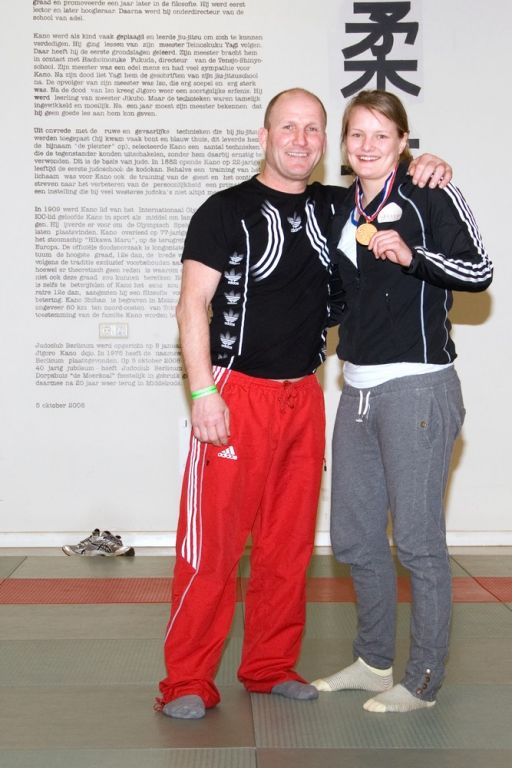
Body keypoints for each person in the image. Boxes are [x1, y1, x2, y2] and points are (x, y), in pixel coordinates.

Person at [156, 87, 452, 719]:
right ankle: (186, 679)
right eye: (288, 127)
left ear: (326, 145)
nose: (300, 139)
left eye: (313, 129)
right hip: (235, 393)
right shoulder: (224, 210)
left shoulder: (333, 206)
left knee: (287, 545)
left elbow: (389, 177)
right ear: (264, 137)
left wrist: (427, 163)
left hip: (305, 396)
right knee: (213, 547)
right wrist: (202, 391)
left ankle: (267, 665)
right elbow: (191, 306)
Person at [312, 90, 493, 712]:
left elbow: (479, 271)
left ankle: (422, 681)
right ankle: (373, 661)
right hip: (356, 389)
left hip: (418, 386)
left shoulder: (429, 192)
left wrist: (414, 257)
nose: (367, 146)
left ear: (403, 143)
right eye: (357, 135)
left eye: (381, 135)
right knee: (356, 537)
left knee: (417, 543)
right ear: (343, 145)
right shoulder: (339, 206)